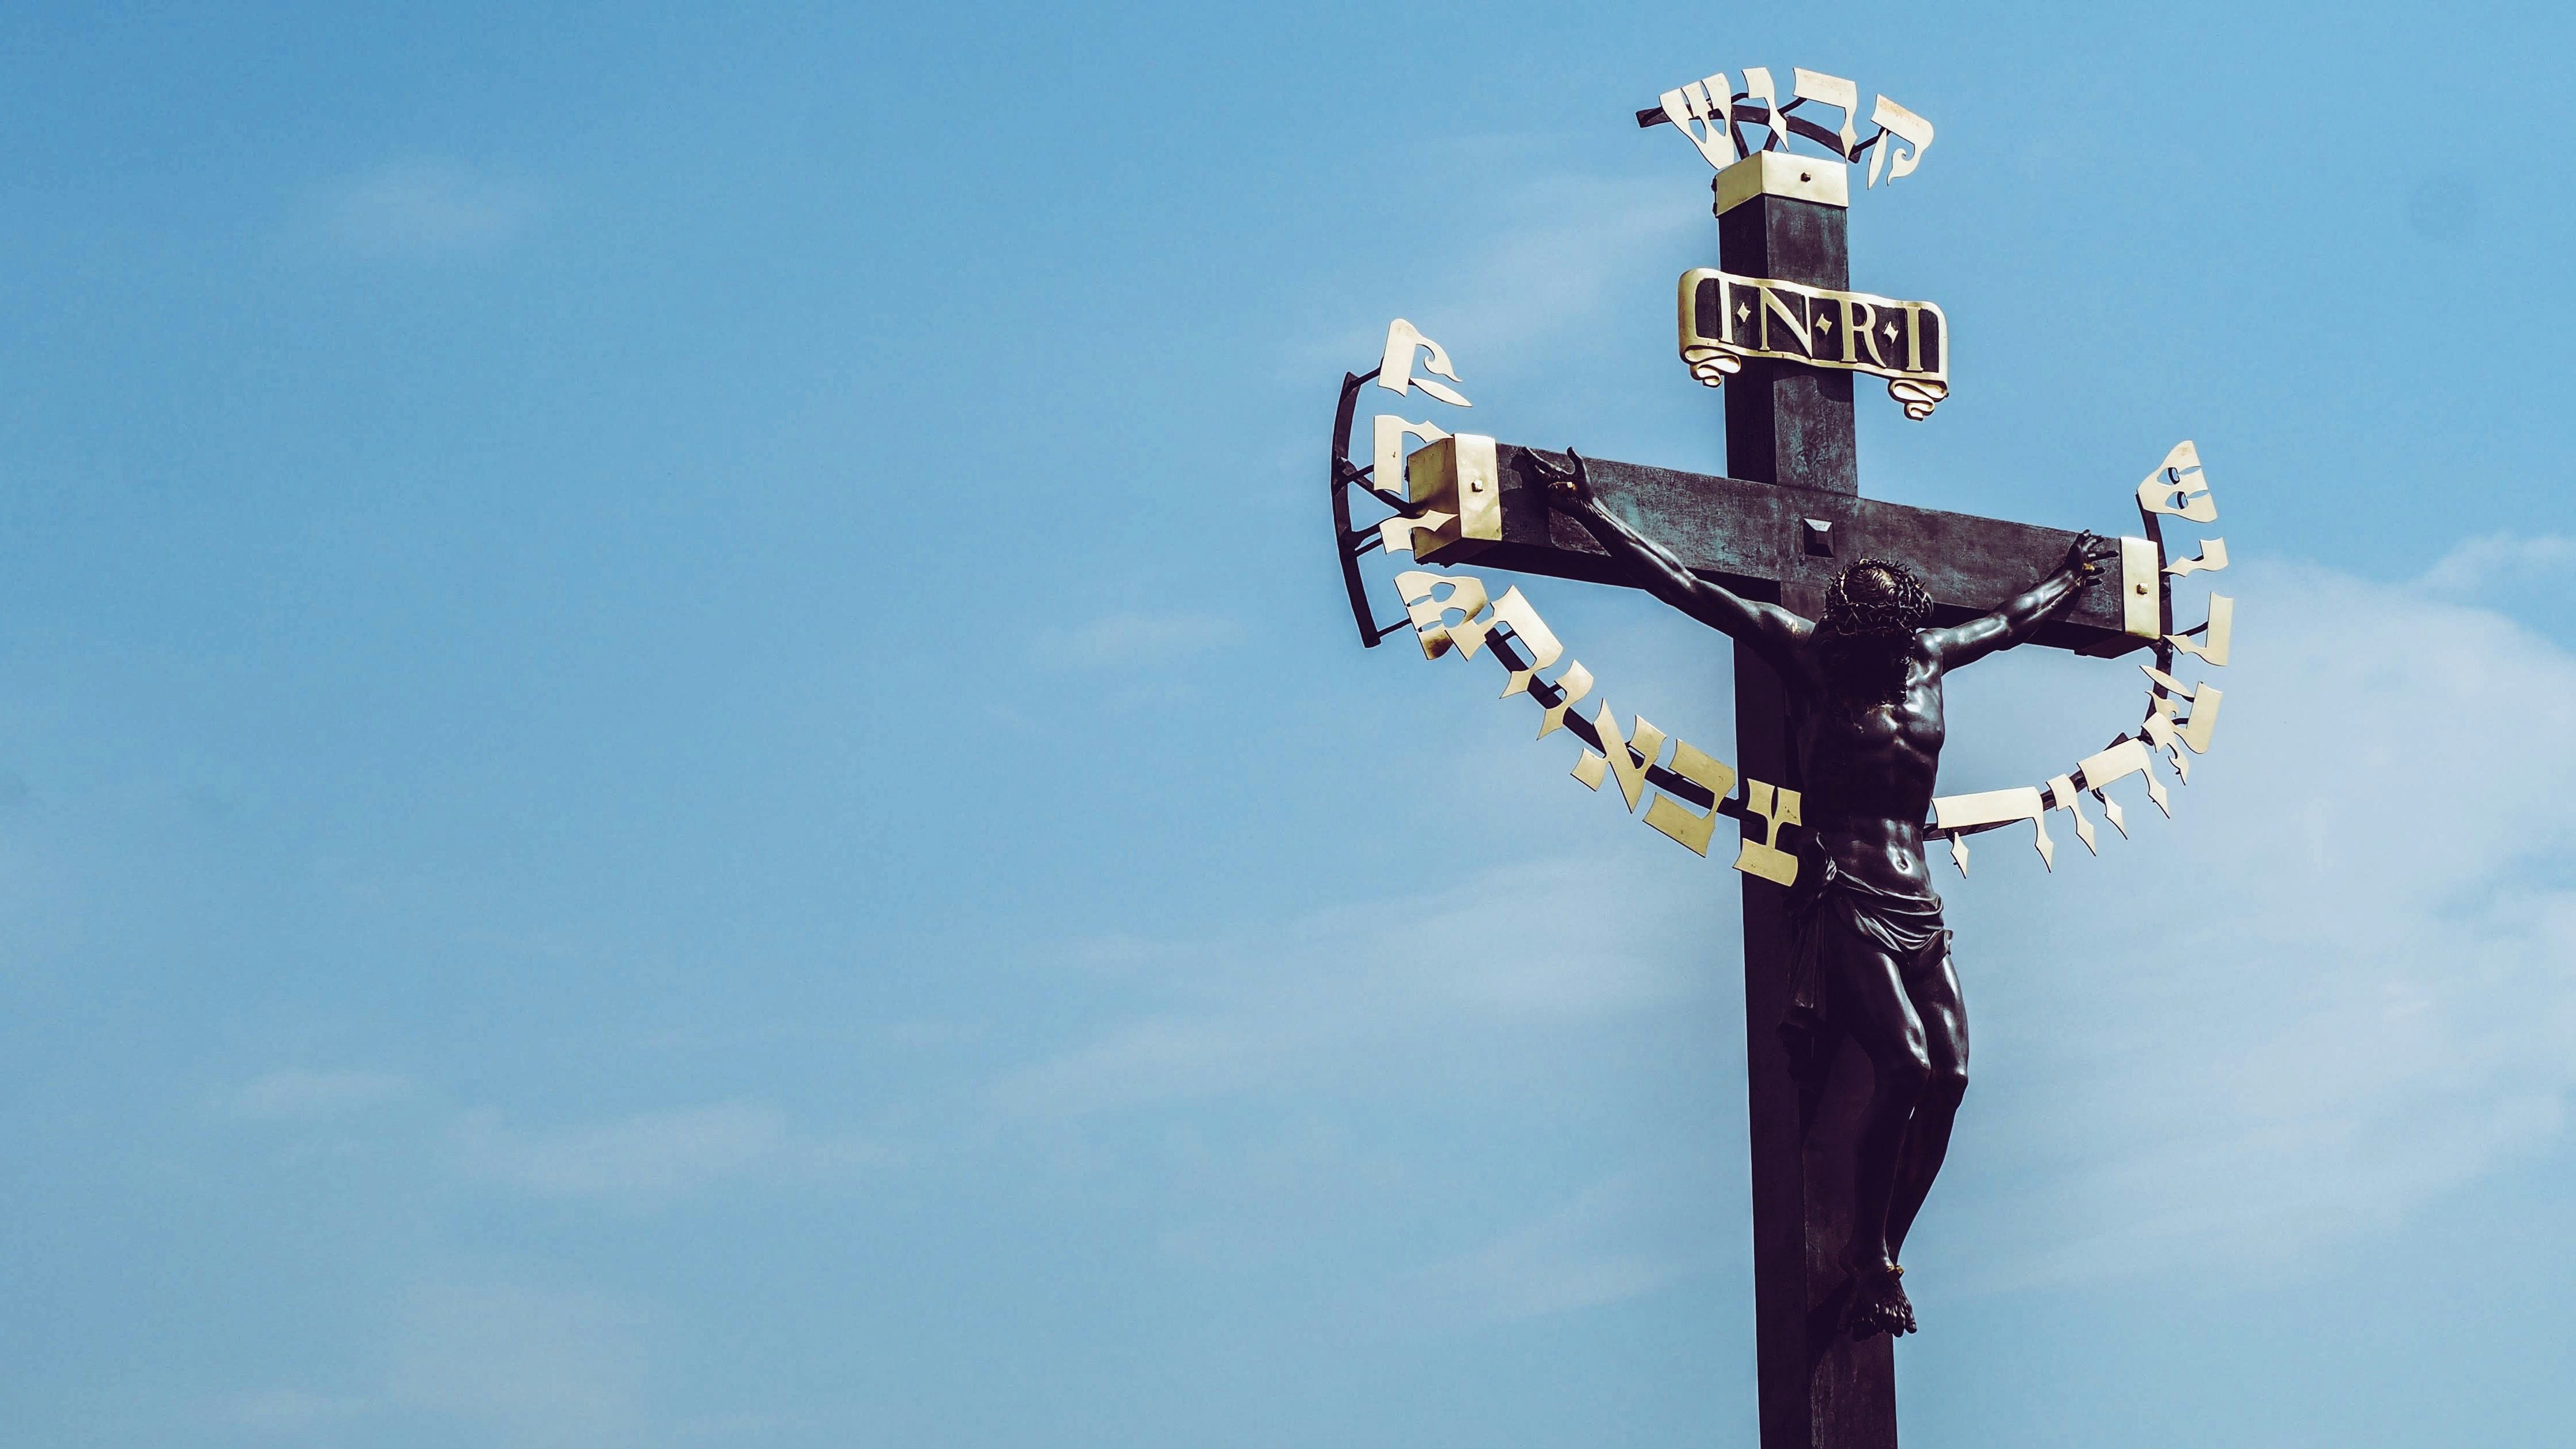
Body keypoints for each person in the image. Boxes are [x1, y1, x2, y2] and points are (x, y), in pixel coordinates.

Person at [1533, 447, 2115, 1339]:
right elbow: (1686, 585)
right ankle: (1867, 1253)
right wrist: (1590, 510)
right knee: (1905, 1064)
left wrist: (2072, 578)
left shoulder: (1927, 657)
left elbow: (2008, 621)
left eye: (1889, 645)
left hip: (1919, 904)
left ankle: (1881, 1246)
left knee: (1952, 1075)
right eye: (1867, 644)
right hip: (1845, 893)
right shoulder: (1810, 657)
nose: (1879, 656)